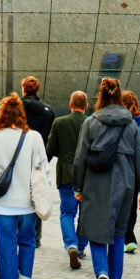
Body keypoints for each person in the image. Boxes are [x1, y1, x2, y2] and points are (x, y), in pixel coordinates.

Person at [72, 79, 140, 279]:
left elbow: (80, 158)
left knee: (97, 231)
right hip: (125, 182)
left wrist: (77, 187)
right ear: (119, 97)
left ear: (101, 96)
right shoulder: (131, 124)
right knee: (118, 234)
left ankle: (102, 274)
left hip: (97, 182)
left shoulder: (91, 122)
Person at [0, 94, 48, 279]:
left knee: (6, 247)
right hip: (28, 202)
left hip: (2, 203)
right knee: (28, 242)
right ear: (22, 114)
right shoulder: (34, 137)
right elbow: (43, 167)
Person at [46, 90, 89, 269]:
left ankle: (70, 245)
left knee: (67, 213)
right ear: (86, 106)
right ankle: (80, 247)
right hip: (88, 175)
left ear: (70, 105)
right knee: (86, 214)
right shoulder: (91, 123)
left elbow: (51, 149)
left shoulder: (59, 123)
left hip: (66, 173)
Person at [21, 76, 55, 247]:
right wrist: (45, 159)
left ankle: (20, 232)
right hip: (38, 159)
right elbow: (50, 138)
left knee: (19, 195)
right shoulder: (48, 110)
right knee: (37, 193)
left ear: (24, 89)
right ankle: (35, 236)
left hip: (18, 159)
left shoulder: (16, 108)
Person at [120, 91, 140, 253]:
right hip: (135, 165)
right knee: (132, 204)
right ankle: (129, 235)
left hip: (121, 164)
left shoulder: (120, 120)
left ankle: (128, 236)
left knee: (120, 202)